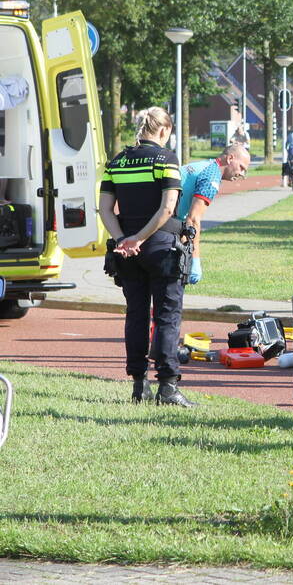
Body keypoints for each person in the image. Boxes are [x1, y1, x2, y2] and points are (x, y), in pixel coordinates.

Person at [98, 107, 194, 407]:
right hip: (160, 246)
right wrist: (140, 238)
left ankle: (139, 385)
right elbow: (167, 209)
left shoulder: (118, 161)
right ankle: (167, 387)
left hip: (127, 250)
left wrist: (123, 241)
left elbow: (104, 208)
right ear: (164, 131)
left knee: (136, 315)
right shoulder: (167, 159)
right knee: (166, 315)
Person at [177, 143, 250, 285]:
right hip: (162, 228)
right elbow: (193, 220)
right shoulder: (212, 177)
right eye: (241, 167)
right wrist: (194, 260)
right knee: (169, 296)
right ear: (230, 158)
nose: (242, 174)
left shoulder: (205, 165)